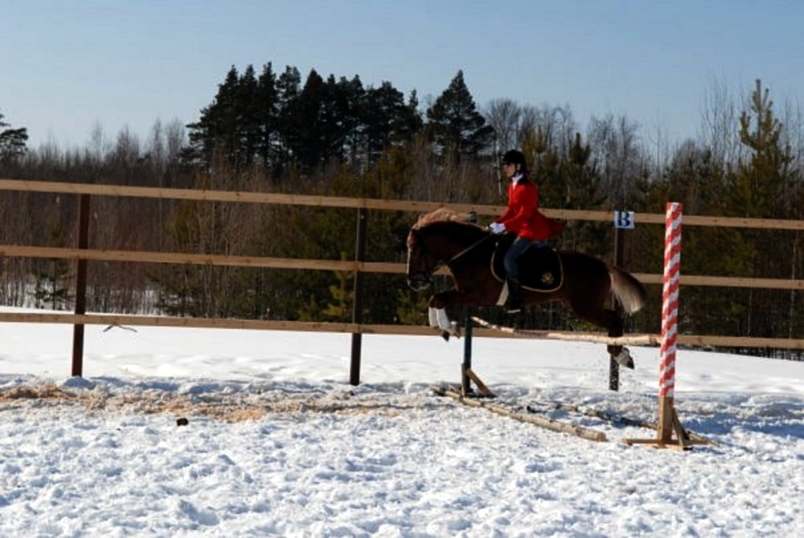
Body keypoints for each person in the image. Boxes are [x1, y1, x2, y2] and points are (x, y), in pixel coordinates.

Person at [488, 149, 554, 313]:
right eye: (504, 165)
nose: (505, 168)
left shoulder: (528, 188)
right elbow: (511, 211)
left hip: (531, 231)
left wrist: (504, 227)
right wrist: (496, 223)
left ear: (518, 166)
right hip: (520, 229)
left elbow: (524, 215)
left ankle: (516, 299)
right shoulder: (512, 186)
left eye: (508, 165)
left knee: (509, 258)